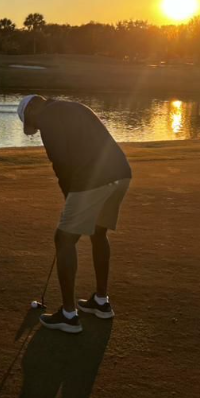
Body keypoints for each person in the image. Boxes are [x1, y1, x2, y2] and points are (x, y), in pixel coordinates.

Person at [18, 95, 132, 334]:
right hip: (120, 173)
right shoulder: (72, 106)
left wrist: (69, 195)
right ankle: (101, 302)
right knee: (98, 234)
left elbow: (61, 163)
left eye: (32, 123)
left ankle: (69, 316)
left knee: (64, 239)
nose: (36, 128)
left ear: (32, 110)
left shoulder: (47, 117)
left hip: (92, 179)